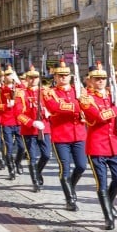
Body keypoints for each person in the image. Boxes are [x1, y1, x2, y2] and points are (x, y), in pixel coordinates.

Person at [79, 63, 117, 230]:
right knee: (102, 183)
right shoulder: (86, 98)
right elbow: (98, 117)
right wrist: (116, 109)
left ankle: (109, 203)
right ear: (90, 80)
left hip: (114, 144)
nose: (100, 81)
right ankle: (108, 217)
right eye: (97, 78)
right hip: (97, 146)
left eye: (103, 78)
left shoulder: (111, 94)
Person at [44, 61, 88, 210]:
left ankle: (71, 187)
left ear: (70, 76)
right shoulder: (50, 92)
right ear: (55, 77)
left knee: (81, 166)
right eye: (60, 75)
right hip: (61, 136)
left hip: (79, 134)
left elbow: (88, 106)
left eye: (66, 75)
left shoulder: (79, 90)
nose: (63, 78)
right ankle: (70, 199)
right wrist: (78, 107)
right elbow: (55, 107)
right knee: (65, 169)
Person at [16, 66, 50, 192]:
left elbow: (53, 106)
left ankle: (37, 172)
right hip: (29, 130)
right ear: (27, 79)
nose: (34, 80)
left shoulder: (45, 91)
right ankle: (35, 181)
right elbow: (18, 113)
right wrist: (32, 122)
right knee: (32, 156)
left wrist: (49, 112)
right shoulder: (21, 93)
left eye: (36, 77)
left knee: (46, 155)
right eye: (31, 78)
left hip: (44, 129)